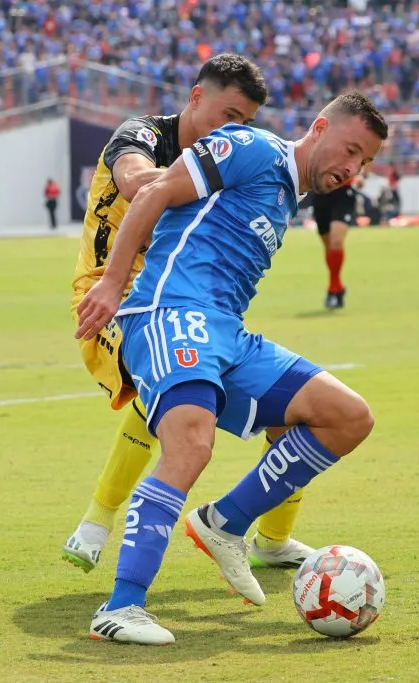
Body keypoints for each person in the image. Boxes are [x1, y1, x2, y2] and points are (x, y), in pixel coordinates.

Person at [74, 91, 387, 645]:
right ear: (319, 128)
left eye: (365, 162)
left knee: (348, 416)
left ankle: (226, 522)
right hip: (171, 313)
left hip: (229, 334)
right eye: (351, 150)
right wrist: (111, 281)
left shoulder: (287, 194)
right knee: (190, 446)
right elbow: (155, 194)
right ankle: (120, 608)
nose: (353, 169)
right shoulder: (250, 147)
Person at [63, 54, 312, 579]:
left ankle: (274, 538)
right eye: (228, 116)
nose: (234, 131)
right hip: (109, 294)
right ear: (196, 97)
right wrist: (200, 176)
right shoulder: (143, 135)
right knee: (168, 384)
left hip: (179, 294)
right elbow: (136, 183)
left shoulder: (227, 154)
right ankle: (97, 521)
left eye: (244, 124)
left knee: (291, 403)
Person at [311, 174, 357, 309]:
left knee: (336, 242)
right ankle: (337, 286)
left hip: (343, 192)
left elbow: (369, 156)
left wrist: (362, 176)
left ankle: (333, 289)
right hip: (321, 192)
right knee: (328, 246)